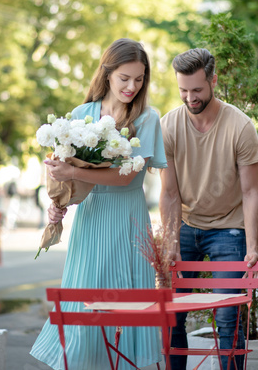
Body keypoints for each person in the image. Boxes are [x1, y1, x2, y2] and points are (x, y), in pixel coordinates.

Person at [30, 38, 167, 370]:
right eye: (125, 78)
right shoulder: (81, 116)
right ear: (108, 74)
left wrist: (74, 170)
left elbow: (125, 177)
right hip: (91, 219)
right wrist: (59, 203)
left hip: (128, 216)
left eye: (139, 79)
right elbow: (71, 179)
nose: (132, 86)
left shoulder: (147, 117)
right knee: (84, 298)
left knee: (128, 304)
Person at [159, 48, 258, 370]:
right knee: (173, 312)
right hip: (187, 224)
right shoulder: (169, 126)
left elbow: (250, 191)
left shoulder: (240, 126)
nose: (190, 97)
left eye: (197, 90)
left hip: (229, 227)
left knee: (228, 314)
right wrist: (171, 242)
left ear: (213, 81)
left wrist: (252, 247)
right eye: (184, 90)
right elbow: (170, 192)